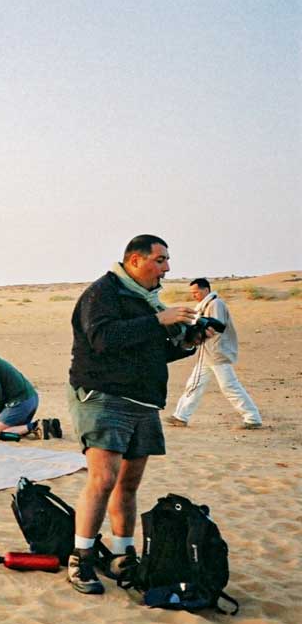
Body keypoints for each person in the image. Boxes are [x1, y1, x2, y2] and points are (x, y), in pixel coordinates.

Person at [66, 235, 211, 595]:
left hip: (143, 402)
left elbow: (149, 352)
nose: (167, 268)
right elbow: (102, 338)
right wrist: (159, 319)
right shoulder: (103, 293)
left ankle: (121, 552)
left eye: (167, 260)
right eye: (160, 260)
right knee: (102, 478)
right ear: (134, 260)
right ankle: (80, 558)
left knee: (128, 484)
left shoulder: (147, 301)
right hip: (103, 396)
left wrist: (188, 342)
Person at [167, 278, 262, 429]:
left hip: (215, 351)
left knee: (229, 386)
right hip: (209, 352)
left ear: (205, 290)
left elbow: (217, 325)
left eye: (196, 292)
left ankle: (252, 418)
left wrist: (197, 329)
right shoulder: (207, 304)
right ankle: (180, 416)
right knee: (195, 384)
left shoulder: (215, 304)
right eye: (192, 293)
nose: (194, 295)